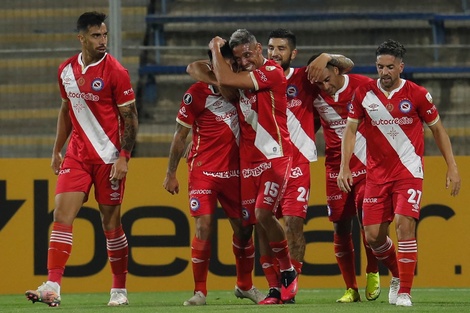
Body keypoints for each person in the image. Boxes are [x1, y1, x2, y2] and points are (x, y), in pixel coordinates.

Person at [25, 11, 138, 307]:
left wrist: (124, 157)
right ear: (82, 38)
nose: (103, 41)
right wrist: (56, 149)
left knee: (111, 223)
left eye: (104, 35)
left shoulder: (116, 72)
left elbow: (131, 118)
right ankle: (53, 285)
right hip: (77, 155)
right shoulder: (66, 71)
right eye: (96, 35)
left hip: (108, 158)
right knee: (61, 216)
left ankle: (118, 289)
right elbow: (66, 111)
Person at [337, 39, 461, 307]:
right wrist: (344, 165)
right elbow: (350, 130)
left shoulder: (417, 94)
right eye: (380, 67)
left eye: (390, 67)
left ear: (401, 67)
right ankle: (396, 274)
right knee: (373, 237)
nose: (384, 72)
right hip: (376, 175)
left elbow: (438, 130)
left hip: (408, 171)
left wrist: (451, 166)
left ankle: (404, 291)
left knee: (404, 228)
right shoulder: (364, 94)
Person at [257, 28, 355, 304]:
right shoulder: (257, 77)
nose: (275, 53)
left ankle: (290, 283)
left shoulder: (304, 78)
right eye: (271, 48)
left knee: (294, 224)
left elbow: (345, 67)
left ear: (293, 53)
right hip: (264, 161)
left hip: (297, 161)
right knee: (262, 224)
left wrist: (326, 56)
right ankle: (274, 287)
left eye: (281, 49)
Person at [163, 43, 264, 306]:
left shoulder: (244, 88)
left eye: (232, 63)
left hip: (237, 172)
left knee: (244, 231)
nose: (231, 67)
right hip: (203, 171)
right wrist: (170, 172)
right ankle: (200, 292)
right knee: (204, 226)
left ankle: (245, 286)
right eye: (223, 62)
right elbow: (180, 136)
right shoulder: (196, 93)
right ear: (213, 65)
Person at [209, 29, 298, 303]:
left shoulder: (271, 72)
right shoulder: (242, 79)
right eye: (239, 58)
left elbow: (221, 78)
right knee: (258, 225)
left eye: (248, 54)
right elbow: (200, 71)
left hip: (274, 156)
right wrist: (217, 64)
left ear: (259, 48)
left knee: (263, 214)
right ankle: (275, 289)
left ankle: (288, 270)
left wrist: (215, 49)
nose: (245, 61)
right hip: (249, 160)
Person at [311, 53, 381, 303]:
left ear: (338, 71)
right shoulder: (315, 94)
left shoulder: (362, 84)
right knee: (340, 226)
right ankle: (351, 288)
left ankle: (373, 271)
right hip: (334, 167)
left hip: (365, 164)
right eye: (319, 83)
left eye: (327, 79)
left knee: (367, 222)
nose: (324, 86)